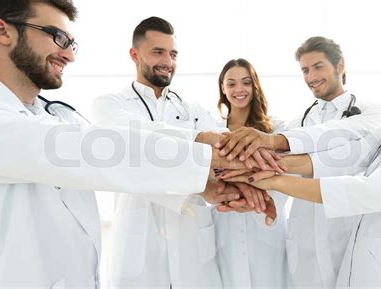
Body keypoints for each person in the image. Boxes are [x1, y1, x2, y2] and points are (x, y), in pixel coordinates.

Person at [0, 2, 245, 288]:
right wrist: (200, 144)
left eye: (72, 43)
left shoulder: (61, 114)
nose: (69, 55)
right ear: (2, 31)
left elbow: (110, 151)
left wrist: (207, 185)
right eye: (58, 37)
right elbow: (98, 149)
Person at [226, 32, 381, 288]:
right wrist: (262, 163)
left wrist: (273, 178)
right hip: (355, 266)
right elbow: (346, 156)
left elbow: (370, 190)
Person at [91, 18, 271, 289]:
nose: (168, 61)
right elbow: (133, 142)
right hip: (139, 243)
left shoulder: (193, 110)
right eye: (158, 52)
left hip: (193, 245)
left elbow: (223, 154)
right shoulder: (108, 105)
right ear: (134, 54)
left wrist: (245, 188)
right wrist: (198, 147)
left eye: (173, 54)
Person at [218, 36, 381, 288]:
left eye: (318, 67)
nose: (311, 77)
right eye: (305, 70)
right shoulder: (299, 120)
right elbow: (279, 170)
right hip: (305, 239)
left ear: (340, 65)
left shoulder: (372, 111)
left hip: (347, 230)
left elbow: (338, 137)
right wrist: (257, 201)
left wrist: (275, 142)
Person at [213, 58, 288, 288]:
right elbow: (207, 177)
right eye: (231, 83)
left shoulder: (277, 129)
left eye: (246, 82)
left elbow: (285, 173)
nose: (239, 90)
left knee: (270, 279)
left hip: (264, 222)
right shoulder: (212, 130)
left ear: (255, 86)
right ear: (223, 89)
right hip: (225, 223)